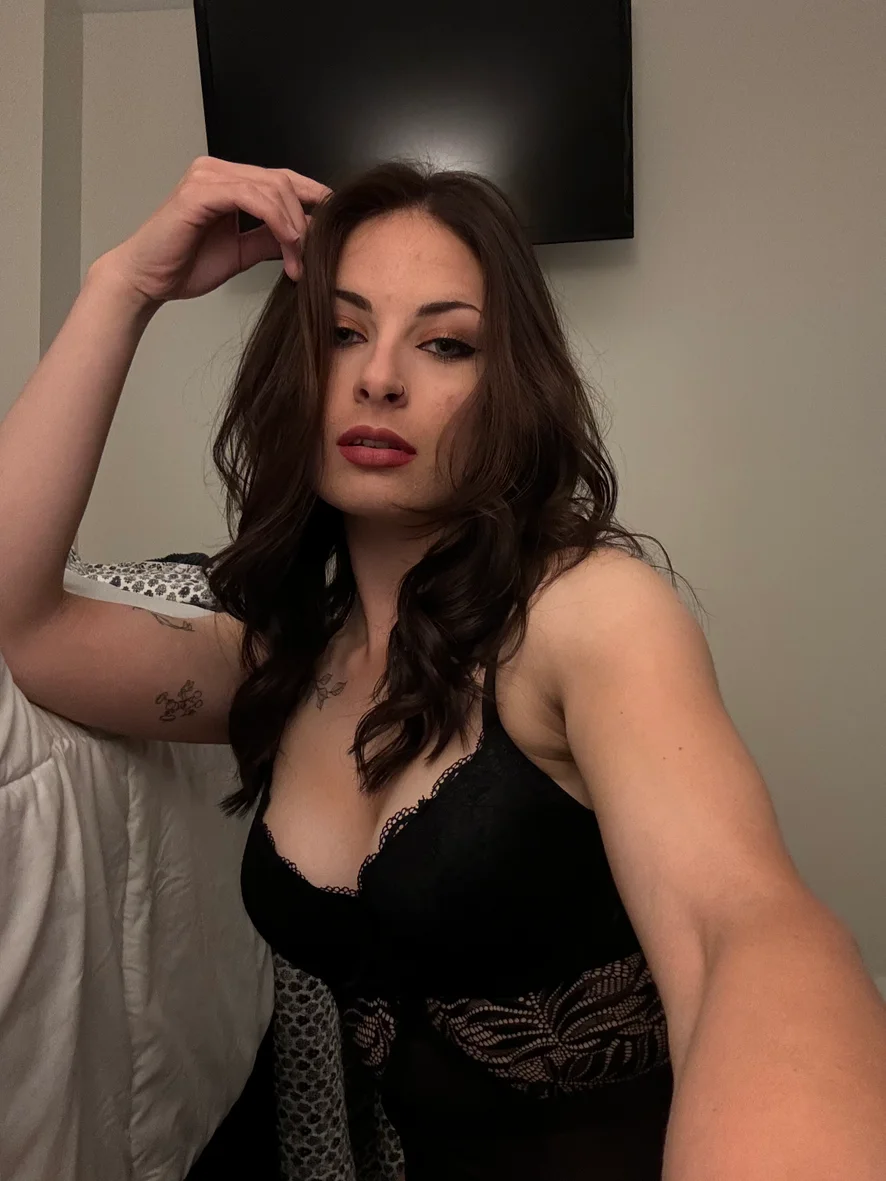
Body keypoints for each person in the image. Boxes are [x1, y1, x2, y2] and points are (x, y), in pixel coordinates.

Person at [2, 156, 883, 1181]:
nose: (379, 376)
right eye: (342, 332)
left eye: (446, 343)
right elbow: (28, 626)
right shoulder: (278, 666)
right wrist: (123, 285)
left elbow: (742, 923)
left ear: (509, 390)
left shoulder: (587, 614)